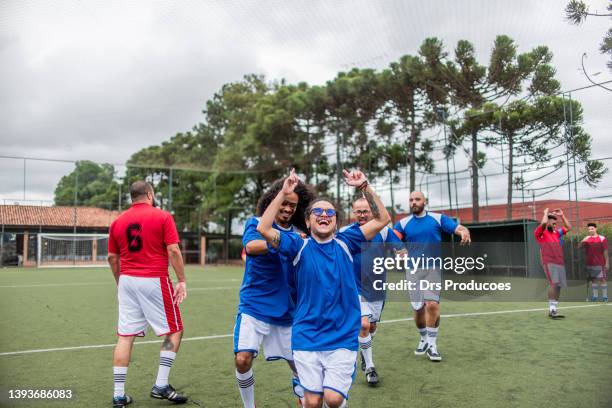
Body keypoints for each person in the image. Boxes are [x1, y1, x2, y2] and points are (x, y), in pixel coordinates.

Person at [257, 169, 390, 408]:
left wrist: (364, 187)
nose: (324, 215)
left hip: (341, 333)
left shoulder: (348, 241)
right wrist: (284, 192)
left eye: (330, 212)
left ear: (336, 222)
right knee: (311, 401)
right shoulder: (297, 245)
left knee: (333, 398)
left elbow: (382, 220)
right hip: (307, 334)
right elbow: (264, 229)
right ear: (308, 221)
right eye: (317, 212)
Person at [107, 181, 188, 408]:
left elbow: (113, 258)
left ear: (132, 197)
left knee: (125, 336)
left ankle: (119, 395)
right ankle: (161, 384)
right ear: (150, 195)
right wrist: (181, 280)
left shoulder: (117, 222)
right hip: (153, 279)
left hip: (127, 281)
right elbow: (173, 250)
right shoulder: (162, 216)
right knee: (174, 331)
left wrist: (120, 281)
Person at [234, 177, 314, 408]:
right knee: (242, 359)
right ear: (273, 200)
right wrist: (283, 240)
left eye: (293, 205)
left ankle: (302, 393)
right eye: (284, 202)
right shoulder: (257, 223)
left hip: (288, 309)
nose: (288, 208)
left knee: (300, 366)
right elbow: (251, 247)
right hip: (254, 305)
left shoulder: (301, 233)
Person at [394, 191, 470, 362]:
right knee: (418, 308)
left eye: (417, 199)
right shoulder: (403, 223)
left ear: (425, 201)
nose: (414, 202)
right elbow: (394, 239)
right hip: (412, 270)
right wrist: (397, 249)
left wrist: (464, 232)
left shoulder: (438, 218)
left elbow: (457, 228)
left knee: (432, 305)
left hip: (433, 269)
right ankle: (423, 338)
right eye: (411, 200)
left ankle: (432, 345)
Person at [340, 197, 402, 386]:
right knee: (364, 325)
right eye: (358, 211)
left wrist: (402, 256)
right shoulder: (345, 233)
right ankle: (370, 367)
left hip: (376, 290)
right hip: (354, 289)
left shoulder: (384, 231)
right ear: (353, 213)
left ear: (372, 211)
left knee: (372, 327)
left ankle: (365, 352)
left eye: (365, 211)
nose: (362, 214)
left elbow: (399, 249)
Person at [534, 208, 571, 319]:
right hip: (549, 261)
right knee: (554, 283)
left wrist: (562, 215)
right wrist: (545, 213)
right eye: (553, 223)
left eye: (556, 224)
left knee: (558, 285)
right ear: (548, 222)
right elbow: (544, 223)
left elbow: (569, 227)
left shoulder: (556, 233)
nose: (555, 225)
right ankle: (552, 310)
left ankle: (554, 310)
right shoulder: (540, 232)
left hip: (559, 261)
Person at [580, 223, 609, 302]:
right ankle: (595, 297)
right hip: (589, 264)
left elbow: (605, 251)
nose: (590, 230)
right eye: (589, 229)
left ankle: (605, 297)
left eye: (592, 229)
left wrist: (607, 263)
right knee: (593, 280)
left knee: (602, 279)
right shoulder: (586, 238)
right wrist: (583, 241)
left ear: (596, 229)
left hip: (600, 263)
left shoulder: (602, 238)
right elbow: (579, 247)